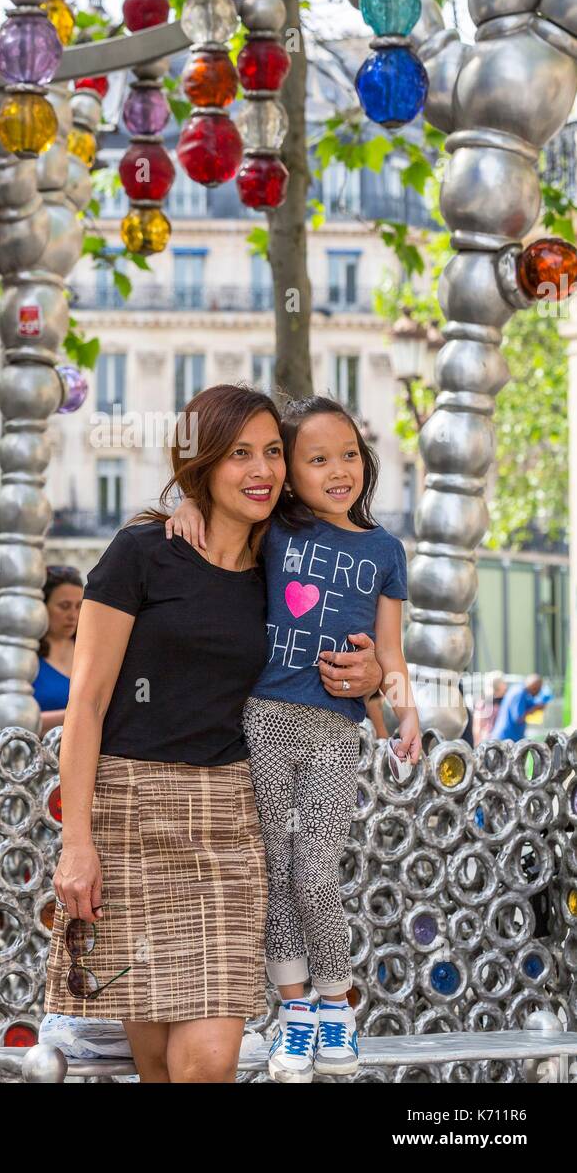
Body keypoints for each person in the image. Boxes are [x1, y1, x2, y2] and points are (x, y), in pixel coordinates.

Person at [43, 385, 382, 1084]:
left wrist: (372, 671)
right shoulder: (142, 552)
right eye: (238, 455)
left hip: (230, 823)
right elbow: (88, 701)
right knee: (159, 1068)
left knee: (205, 1063)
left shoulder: (290, 565)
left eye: (271, 455)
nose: (261, 470)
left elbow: (356, 644)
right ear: (201, 463)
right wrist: (77, 841)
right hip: (130, 816)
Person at [169, 392, 421, 1084]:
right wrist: (183, 507)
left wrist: (405, 714)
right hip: (265, 721)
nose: (338, 469)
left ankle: (337, 1003)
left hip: (336, 731)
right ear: (292, 474)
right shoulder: (274, 533)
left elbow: (391, 655)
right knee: (275, 873)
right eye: (316, 458)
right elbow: (216, 521)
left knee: (314, 871)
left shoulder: (384, 549)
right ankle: (295, 1016)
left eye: (349, 455)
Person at [33, 565, 83, 733]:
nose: (73, 615)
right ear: (42, 607)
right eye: (64, 606)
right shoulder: (25, 658)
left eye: (79, 606)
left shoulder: (88, 652)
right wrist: (80, 715)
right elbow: (14, 720)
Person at [491, 674, 550, 742]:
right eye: (538, 690)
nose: (538, 693)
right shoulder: (519, 693)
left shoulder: (520, 690)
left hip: (507, 737)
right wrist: (534, 709)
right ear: (535, 688)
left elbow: (532, 704)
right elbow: (518, 718)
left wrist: (539, 705)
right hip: (506, 738)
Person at [473, 671, 506, 744]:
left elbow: (477, 727)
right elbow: (478, 726)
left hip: (491, 740)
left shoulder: (482, 702)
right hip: (490, 741)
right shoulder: (483, 703)